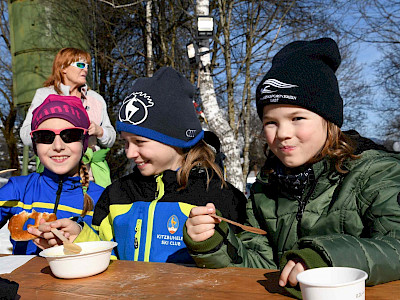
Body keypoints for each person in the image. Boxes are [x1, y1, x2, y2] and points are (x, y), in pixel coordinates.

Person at [183, 38, 400, 299]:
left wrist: (324, 259)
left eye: (297, 118)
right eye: (270, 122)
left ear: (329, 120)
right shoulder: (267, 189)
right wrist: (215, 242)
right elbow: (260, 271)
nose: (283, 133)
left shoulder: (376, 173)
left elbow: (395, 247)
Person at [29, 67, 247, 264]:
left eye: (140, 142)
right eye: (125, 142)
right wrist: (80, 238)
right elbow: (107, 257)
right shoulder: (116, 195)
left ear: (177, 139)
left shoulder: (221, 197)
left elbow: (244, 267)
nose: (130, 153)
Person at [0, 94, 104, 255]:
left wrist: (80, 238)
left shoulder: (102, 198)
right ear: (35, 143)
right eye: (45, 136)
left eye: (70, 135)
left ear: (83, 142)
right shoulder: (18, 189)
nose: (58, 146)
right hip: (24, 280)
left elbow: (113, 257)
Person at [19, 47, 116, 187]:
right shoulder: (44, 95)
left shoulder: (96, 99)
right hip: (53, 174)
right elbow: (25, 135)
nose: (86, 70)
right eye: (81, 65)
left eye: (88, 65)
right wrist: (52, 131)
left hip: (91, 176)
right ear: (63, 67)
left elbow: (111, 138)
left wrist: (100, 131)